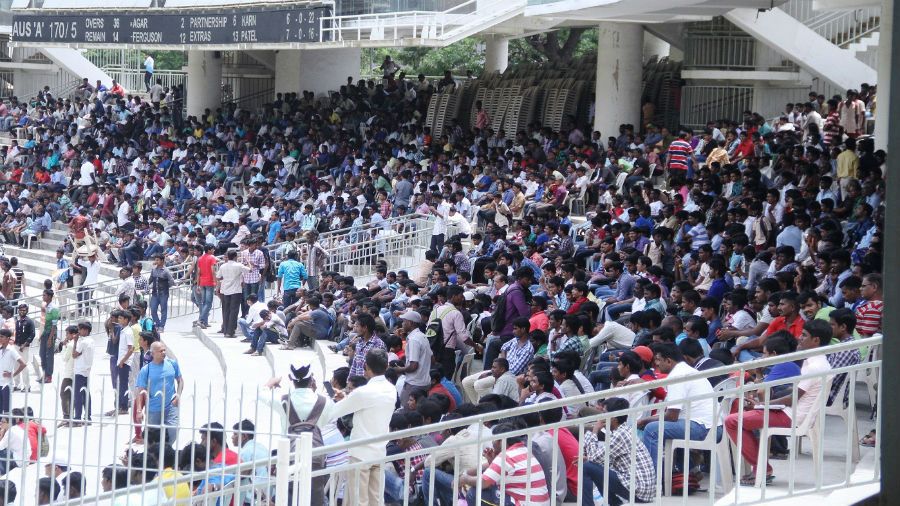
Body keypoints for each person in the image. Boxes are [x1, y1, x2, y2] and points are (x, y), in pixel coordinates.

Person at [725, 319, 832, 485]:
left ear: (816, 340)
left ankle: (762, 469)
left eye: (804, 335)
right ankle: (760, 467)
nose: (800, 338)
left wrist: (763, 405)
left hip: (792, 416)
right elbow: (794, 393)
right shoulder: (819, 362)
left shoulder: (814, 366)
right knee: (743, 416)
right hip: (792, 412)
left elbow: (792, 398)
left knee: (732, 421)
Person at [323, 348, 396, 506]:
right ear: (386, 366)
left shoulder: (363, 392)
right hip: (379, 452)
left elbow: (335, 411)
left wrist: (342, 399)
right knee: (375, 500)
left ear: (366, 366)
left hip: (361, 454)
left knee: (358, 500)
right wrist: (348, 398)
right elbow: (368, 405)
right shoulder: (391, 389)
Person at [638, 343, 716, 474]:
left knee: (652, 430)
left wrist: (645, 420)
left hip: (703, 428)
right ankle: (692, 472)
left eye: (658, 359)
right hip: (710, 425)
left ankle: (652, 481)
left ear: (668, 361)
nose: (656, 364)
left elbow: (672, 416)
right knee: (669, 429)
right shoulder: (687, 370)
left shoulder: (677, 375)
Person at [582, 397, 655, 505]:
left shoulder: (619, 435)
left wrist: (594, 431)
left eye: (604, 413)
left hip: (638, 491)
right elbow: (599, 459)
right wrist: (589, 457)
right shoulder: (623, 431)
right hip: (642, 489)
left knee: (587, 467)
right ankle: (614, 503)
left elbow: (594, 459)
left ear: (614, 419)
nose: (601, 417)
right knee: (594, 467)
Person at [459, 422, 551, 506]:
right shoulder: (524, 451)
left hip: (525, 503)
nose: (492, 443)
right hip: (539, 502)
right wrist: (492, 462)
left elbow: (483, 482)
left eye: (494, 439)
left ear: (501, 441)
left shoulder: (506, 456)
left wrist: (464, 479)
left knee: (474, 494)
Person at [135, 341, 183, 445]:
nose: (164, 352)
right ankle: (152, 457)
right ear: (152, 354)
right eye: (160, 351)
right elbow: (140, 391)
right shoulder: (145, 370)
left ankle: (165, 451)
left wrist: (178, 395)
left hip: (171, 405)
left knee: (173, 430)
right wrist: (139, 410)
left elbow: (180, 380)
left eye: (164, 350)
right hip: (153, 409)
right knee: (152, 439)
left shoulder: (172, 364)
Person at [391, 311, 432, 405]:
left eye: (404, 321)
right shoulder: (422, 336)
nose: (402, 323)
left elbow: (414, 366)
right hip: (424, 382)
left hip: (414, 383)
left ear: (410, 323)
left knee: (406, 411)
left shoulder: (414, 339)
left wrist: (399, 369)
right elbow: (431, 358)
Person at [217, 249, 249, 338]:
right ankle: (230, 332)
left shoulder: (223, 266)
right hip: (235, 290)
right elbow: (250, 270)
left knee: (226, 310)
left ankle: (226, 330)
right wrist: (248, 262)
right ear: (235, 256)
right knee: (234, 311)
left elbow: (218, 277)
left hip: (225, 290)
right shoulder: (238, 265)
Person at [148, 254, 176, 332]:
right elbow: (150, 279)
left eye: (157, 260)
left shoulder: (166, 271)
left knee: (163, 310)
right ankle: (157, 323)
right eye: (155, 260)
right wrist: (147, 286)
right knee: (153, 309)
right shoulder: (153, 270)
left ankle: (161, 326)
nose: (156, 261)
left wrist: (166, 287)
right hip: (155, 293)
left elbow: (171, 281)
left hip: (163, 294)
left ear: (162, 261)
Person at [195, 243, 218, 329]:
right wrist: (215, 282)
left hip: (202, 282)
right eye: (213, 249)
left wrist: (198, 285)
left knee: (204, 302)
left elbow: (198, 272)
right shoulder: (212, 258)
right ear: (209, 250)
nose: (214, 250)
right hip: (209, 282)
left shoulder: (200, 258)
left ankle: (205, 322)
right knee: (208, 303)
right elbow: (213, 271)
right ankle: (201, 320)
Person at [0, 330, 23, 415]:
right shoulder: (1, 349)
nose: (0, 338)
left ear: (7, 338)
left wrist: (12, 374)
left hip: (6, 384)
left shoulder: (11, 350)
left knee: (6, 411)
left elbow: (23, 364)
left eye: (2, 337)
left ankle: (6, 427)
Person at [12, 304, 34, 392]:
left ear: (27, 311)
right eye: (20, 310)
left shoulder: (29, 321)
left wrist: (24, 345)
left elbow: (32, 334)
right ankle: (16, 384)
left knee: (24, 366)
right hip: (16, 346)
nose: (22, 312)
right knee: (16, 366)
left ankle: (27, 386)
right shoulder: (17, 321)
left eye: (24, 310)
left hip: (24, 347)